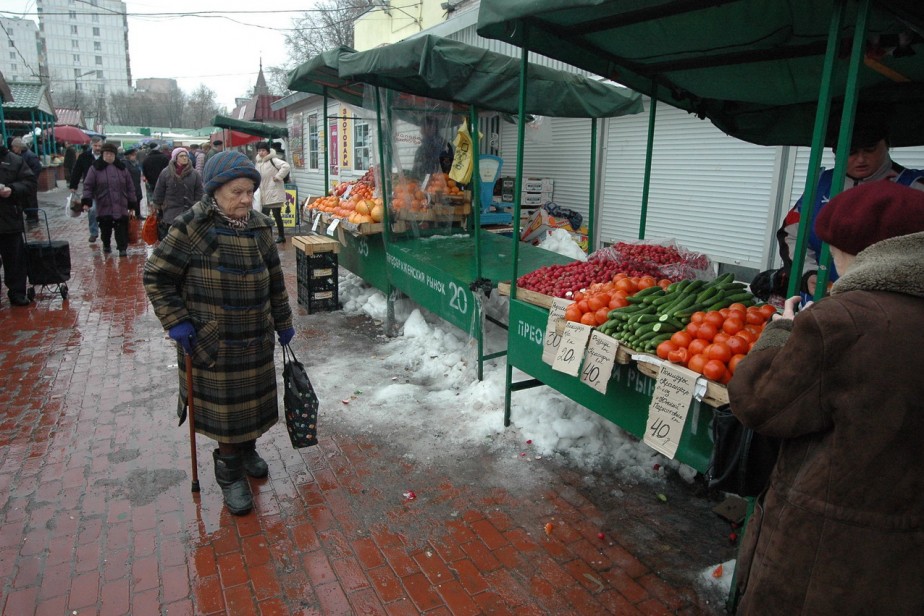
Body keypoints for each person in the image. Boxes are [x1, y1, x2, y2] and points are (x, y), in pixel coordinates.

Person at [728, 180, 924, 615]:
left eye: (834, 250)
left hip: (823, 545)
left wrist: (780, 330)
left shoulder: (841, 320)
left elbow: (758, 402)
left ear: (857, 251)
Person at [143, 150, 295, 516]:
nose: (245, 199)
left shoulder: (260, 226)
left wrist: (284, 321)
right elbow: (157, 276)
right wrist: (176, 320)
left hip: (256, 336)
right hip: (213, 340)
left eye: (249, 192)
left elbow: (275, 279)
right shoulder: (191, 226)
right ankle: (229, 474)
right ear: (215, 191)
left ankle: (247, 450)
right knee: (228, 414)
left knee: (254, 406)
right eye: (236, 192)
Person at [773, 117, 924, 298]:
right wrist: (807, 274)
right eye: (851, 152)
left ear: (887, 145)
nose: (861, 159)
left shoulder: (915, 187)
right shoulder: (820, 183)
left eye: (870, 149)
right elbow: (791, 234)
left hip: (890, 306)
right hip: (823, 298)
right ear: (836, 152)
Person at [81, 142, 137, 257]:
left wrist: (132, 204)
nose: (109, 156)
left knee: (121, 228)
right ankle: (106, 244)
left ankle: (122, 248)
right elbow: (88, 186)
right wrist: (87, 201)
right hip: (103, 204)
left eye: (111, 154)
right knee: (105, 228)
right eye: (106, 153)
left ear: (115, 155)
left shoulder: (122, 169)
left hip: (121, 204)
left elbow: (130, 187)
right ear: (102, 154)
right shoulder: (95, 168)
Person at [0, 143, 37, 306]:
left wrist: (12, 189)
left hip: (9, 218)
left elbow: (29, 183)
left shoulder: (14, 160)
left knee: (14, 259)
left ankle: (17, 292)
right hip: (9, 218)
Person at [151, 148, 204, 240]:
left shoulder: (194, 173)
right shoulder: (166, 172)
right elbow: (159, 189)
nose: (184, 158)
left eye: (186, 155)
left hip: (189, 212)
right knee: (171, 239)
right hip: (170, 211)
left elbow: (199, 191)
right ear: (175, 158)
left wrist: (197, 205)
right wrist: (157, 204)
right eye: (181, 156)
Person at [254, 141, 291, 243]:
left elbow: (286, 166)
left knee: (276, 215)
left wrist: (278, 176)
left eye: (263, 150)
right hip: (264, 194)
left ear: (267, 151)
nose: (261, 153)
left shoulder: (273, 160)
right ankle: (266, 236)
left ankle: (281, 236)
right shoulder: (258, 163)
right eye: (259, 150)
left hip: (274, 192)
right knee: (264, 216)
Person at [69, 137, 103, 243]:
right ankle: (93, 232)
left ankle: (105, 232)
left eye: (99, 146)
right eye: (95, 145)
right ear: (91, 145)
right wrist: (73, 185)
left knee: (105, 212)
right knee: (92, 210)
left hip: (104, 188)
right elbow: (77, 170)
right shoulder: (84, 157)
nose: (97, 148)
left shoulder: (106, 156)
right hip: (90, 188)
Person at [411, 116, 453, 180]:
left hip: (438, 183)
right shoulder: (423, 146)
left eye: (425, 126)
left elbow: (446, 168)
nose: (421, 130)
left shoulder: (442, 145)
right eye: (422, 127)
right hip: (424, 183)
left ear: (434, 127)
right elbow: (416, 169)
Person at [10, 137, 42, 223]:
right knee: (24, 201)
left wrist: (31, 180)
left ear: (19, 146)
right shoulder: (19, 155)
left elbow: (37, 168)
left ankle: (33, 217)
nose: (13, 149)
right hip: (22, 183)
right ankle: (29, 216)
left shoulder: (29, 155)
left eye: (14, 147)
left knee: (31, 200)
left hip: (29, 183)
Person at [141, 142, 170, 211]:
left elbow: (144, 171)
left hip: (151, 182)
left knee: (151, 198)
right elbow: (169, 170)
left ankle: (152, 213)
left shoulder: (146, 159)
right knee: (163, 198)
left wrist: (149, 179)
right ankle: (162, 212)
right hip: (163, 182)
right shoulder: (164, 158)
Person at [122, 147, 144, 219]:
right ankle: (128, 215)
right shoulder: (125, 163)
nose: (135, 156)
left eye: (135, 154)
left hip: (136, 184)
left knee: (138, 199)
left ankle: (138, 214)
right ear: (129, 156)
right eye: (133, 155)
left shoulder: (135, 163)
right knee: (130, 200)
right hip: (129, 185)